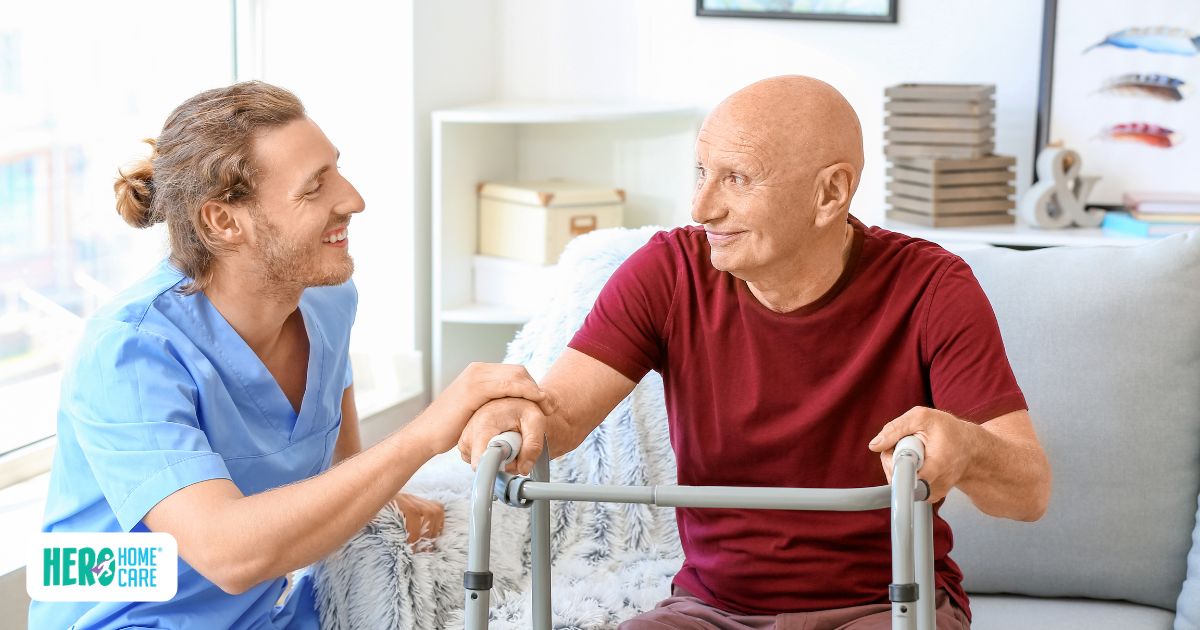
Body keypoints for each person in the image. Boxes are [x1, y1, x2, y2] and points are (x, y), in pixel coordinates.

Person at [458, 76, 1052, 629]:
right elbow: (557, 415)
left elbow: (1028, 494)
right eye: (701, 172)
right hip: (708, 610)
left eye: (737, 179)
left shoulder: (933, 288)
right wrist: (515, 415)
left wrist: (966, 446)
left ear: (831, 193)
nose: (701, 207)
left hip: (884, 605)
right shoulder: (667, 273)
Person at [29, 81, 548, 630]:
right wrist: (425, 434)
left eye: (337, 170)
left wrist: (381, 500)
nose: (352, 199)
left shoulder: (326, 298)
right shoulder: (129, 352)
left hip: (269, 615)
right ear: (223, 222)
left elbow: (342, 464)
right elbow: (226, 554)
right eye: (314, 188)